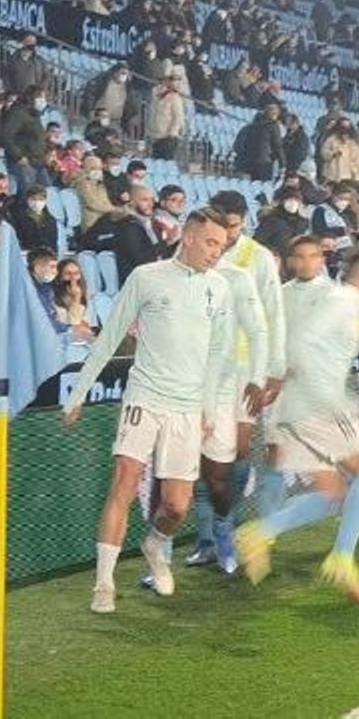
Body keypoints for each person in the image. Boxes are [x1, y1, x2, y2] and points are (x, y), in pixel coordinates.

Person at [63, 208, 239, 615]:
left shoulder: (220, 288)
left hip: (187, 407)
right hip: (144, 397)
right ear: (190, 237)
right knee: (125, 479)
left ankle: (156, 544)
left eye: (222, 246)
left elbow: (218, 353)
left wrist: (209, 409)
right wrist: (78, 394)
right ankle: (103, 583)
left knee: (176, 506)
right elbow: (108, 339)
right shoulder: (147, 277)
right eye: (212, 243)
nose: (217, 252)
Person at [235, 248, 359, 603]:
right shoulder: (345, 301)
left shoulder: (340, 302)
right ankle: (341, 558)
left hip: (295, 409)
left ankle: (261, 532)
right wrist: (335, 400)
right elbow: (301, 344)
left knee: (333, 495)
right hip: (317, 406)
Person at [178, 191, 287, 573]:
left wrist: (274, 368)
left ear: (242, 221)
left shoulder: (256, 258)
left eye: (232, 225)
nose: (224, 232)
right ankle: (206, 538)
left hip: (243, 369)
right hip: (201, 366)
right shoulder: (195, 252)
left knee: (238, 450)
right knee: (202, 454)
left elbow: (272, 313)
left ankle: (225, 525)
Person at [54, 258, 95, 333]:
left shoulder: (85, 293)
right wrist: (76, 298)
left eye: (76, 273)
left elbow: (88, 322)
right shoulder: (53, 296)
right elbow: (73, 323)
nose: (73, 278)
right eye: (68, 273)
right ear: (60, 276)